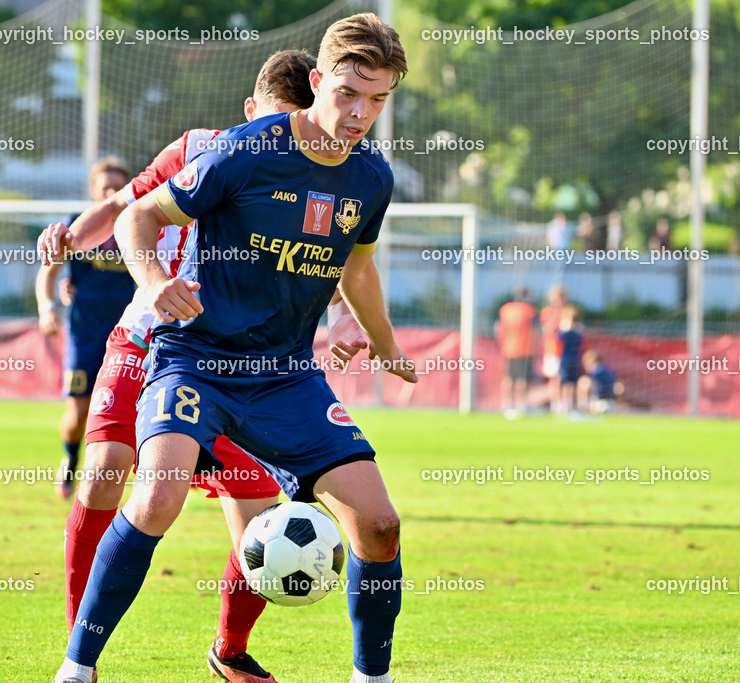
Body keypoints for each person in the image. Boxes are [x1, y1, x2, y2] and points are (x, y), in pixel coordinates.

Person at [52, 14, 416, 683]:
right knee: (157, 496)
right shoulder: (247, 149)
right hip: (195, 360)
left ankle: (372, 676)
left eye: (379, 99)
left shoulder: (371, 177)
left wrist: (385, 343)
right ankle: (77, 668)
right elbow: (137, 215)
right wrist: (155, 281)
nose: (362, 113)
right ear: (316, 83)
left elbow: (357, 268)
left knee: (379, 522)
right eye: (348, 93)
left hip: (284, 376)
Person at [36, 158, 138, 500]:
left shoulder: (139, 224)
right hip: (85, 335)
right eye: (105, 187)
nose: (110, 192)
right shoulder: (76, 227)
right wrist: (47, 307)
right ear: (94, 191)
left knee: (134, 411)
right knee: (78, 412)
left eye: (117, 187)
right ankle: (70, 458)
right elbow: (49, 272)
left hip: (132, 337)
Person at [494, 284, 536, 419]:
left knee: (509, 378)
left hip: (509, 348)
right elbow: (536, 331)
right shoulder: (529, 310)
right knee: (522, 379)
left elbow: (499, 328)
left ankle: (507, 404)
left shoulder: (505, 309)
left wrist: (502, 343)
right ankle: (522, 405)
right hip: (525, 349)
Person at [539, 285, 568, 412]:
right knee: (554, 378)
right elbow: (547, 328)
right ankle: (555, 404)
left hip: (565, 351)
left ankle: (562, 404)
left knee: (563, 378)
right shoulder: (548, 312)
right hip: (552, 350)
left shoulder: (567, 312)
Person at [556, 305, 584, 415]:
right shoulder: (565, 330)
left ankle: (572, 406)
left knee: (572, 383)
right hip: (566, 358)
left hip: (573, 358)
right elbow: (559, 338)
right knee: (564, 382)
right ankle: (563, 405)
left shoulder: (576, 331)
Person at [578, 349, 623, 414]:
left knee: (583, 381)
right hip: (611, 403)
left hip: (601, 403)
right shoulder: (608, 369)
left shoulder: (596, 370)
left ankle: (582, 406)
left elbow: (586, 384)